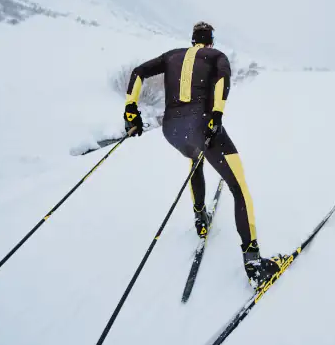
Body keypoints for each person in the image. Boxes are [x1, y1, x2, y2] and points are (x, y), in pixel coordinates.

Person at [122, 21, 285, 289]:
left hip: (172, 129)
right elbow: (223, 79)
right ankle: (254, 263)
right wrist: (217, 113)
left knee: (195, 159)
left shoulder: (171, 56)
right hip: (202, 124)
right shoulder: (215, 56)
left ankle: (201, 219)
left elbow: (138, 72)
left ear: (193, 40)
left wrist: (130, 109)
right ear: (210, 41)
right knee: (238, 187)